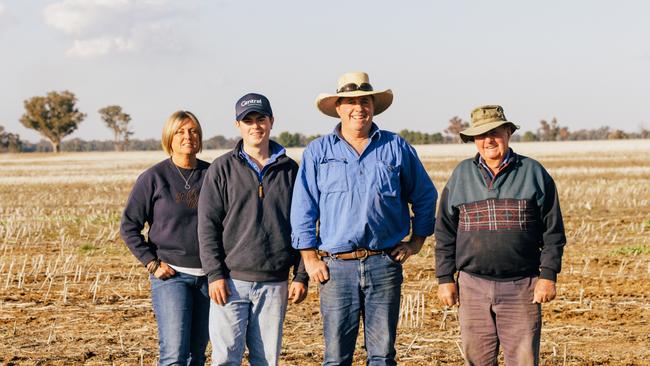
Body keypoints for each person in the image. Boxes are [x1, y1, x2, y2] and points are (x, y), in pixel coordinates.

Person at [290, 72, 437, 365]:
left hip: (384, 263)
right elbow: (303, 207)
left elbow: (425, 196)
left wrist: (415, 243)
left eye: (365, 101)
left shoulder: (396, 147)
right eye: (351, 102)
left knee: (382, 355)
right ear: (338, 108)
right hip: (335, 268)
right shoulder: (319, 152)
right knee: (336, 356)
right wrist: (309, 258)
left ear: (373, 106)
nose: (359, 108)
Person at [435, 105, 566, 365]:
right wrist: (444, 278)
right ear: (474, 140)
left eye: (495, 132)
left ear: (508, 133)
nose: (489, 140)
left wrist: (548, 276)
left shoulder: (533, 172)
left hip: (522, 287)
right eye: (481, 135)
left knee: (523, 360)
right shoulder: (461, 175)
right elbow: (445, 232)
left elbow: (553, 232)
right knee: (478, 360)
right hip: (472, 287)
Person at [198, 93, 308, 366]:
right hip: (231, 282)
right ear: (238, 125)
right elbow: (208, 225)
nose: (255, 126)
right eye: (248, 121)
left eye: (261, 119)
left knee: (267, 360)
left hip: (274, 283)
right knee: (225, 359)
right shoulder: (221, 169)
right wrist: (215, 275)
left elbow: (304, 223)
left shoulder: (290, 170)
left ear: (272, 121)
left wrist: (301, 275)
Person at [120, 110, 210, 365]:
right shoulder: (153, 178)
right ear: (169, 137)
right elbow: (129, 226)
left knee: (197, 356)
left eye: (193, 131)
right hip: (172, 276)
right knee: (174, 354)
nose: (187, 136)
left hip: (208, 277)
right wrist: (152, 263)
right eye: (180, 131)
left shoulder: (213, 174)